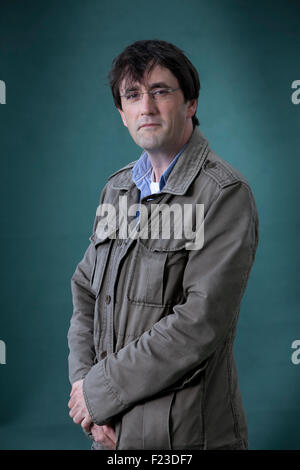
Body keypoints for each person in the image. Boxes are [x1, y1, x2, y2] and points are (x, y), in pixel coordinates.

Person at [67, 39, 259, 450]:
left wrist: (99, 392)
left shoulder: (224, 193)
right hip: (111, 434)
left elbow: (199, 323)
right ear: (122, 114)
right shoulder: (115, 190)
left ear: (190, 103)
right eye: (133, 95)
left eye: (160, 91)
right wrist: (85, 389)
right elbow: (86, 294)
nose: (146, 107)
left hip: (187, 437)